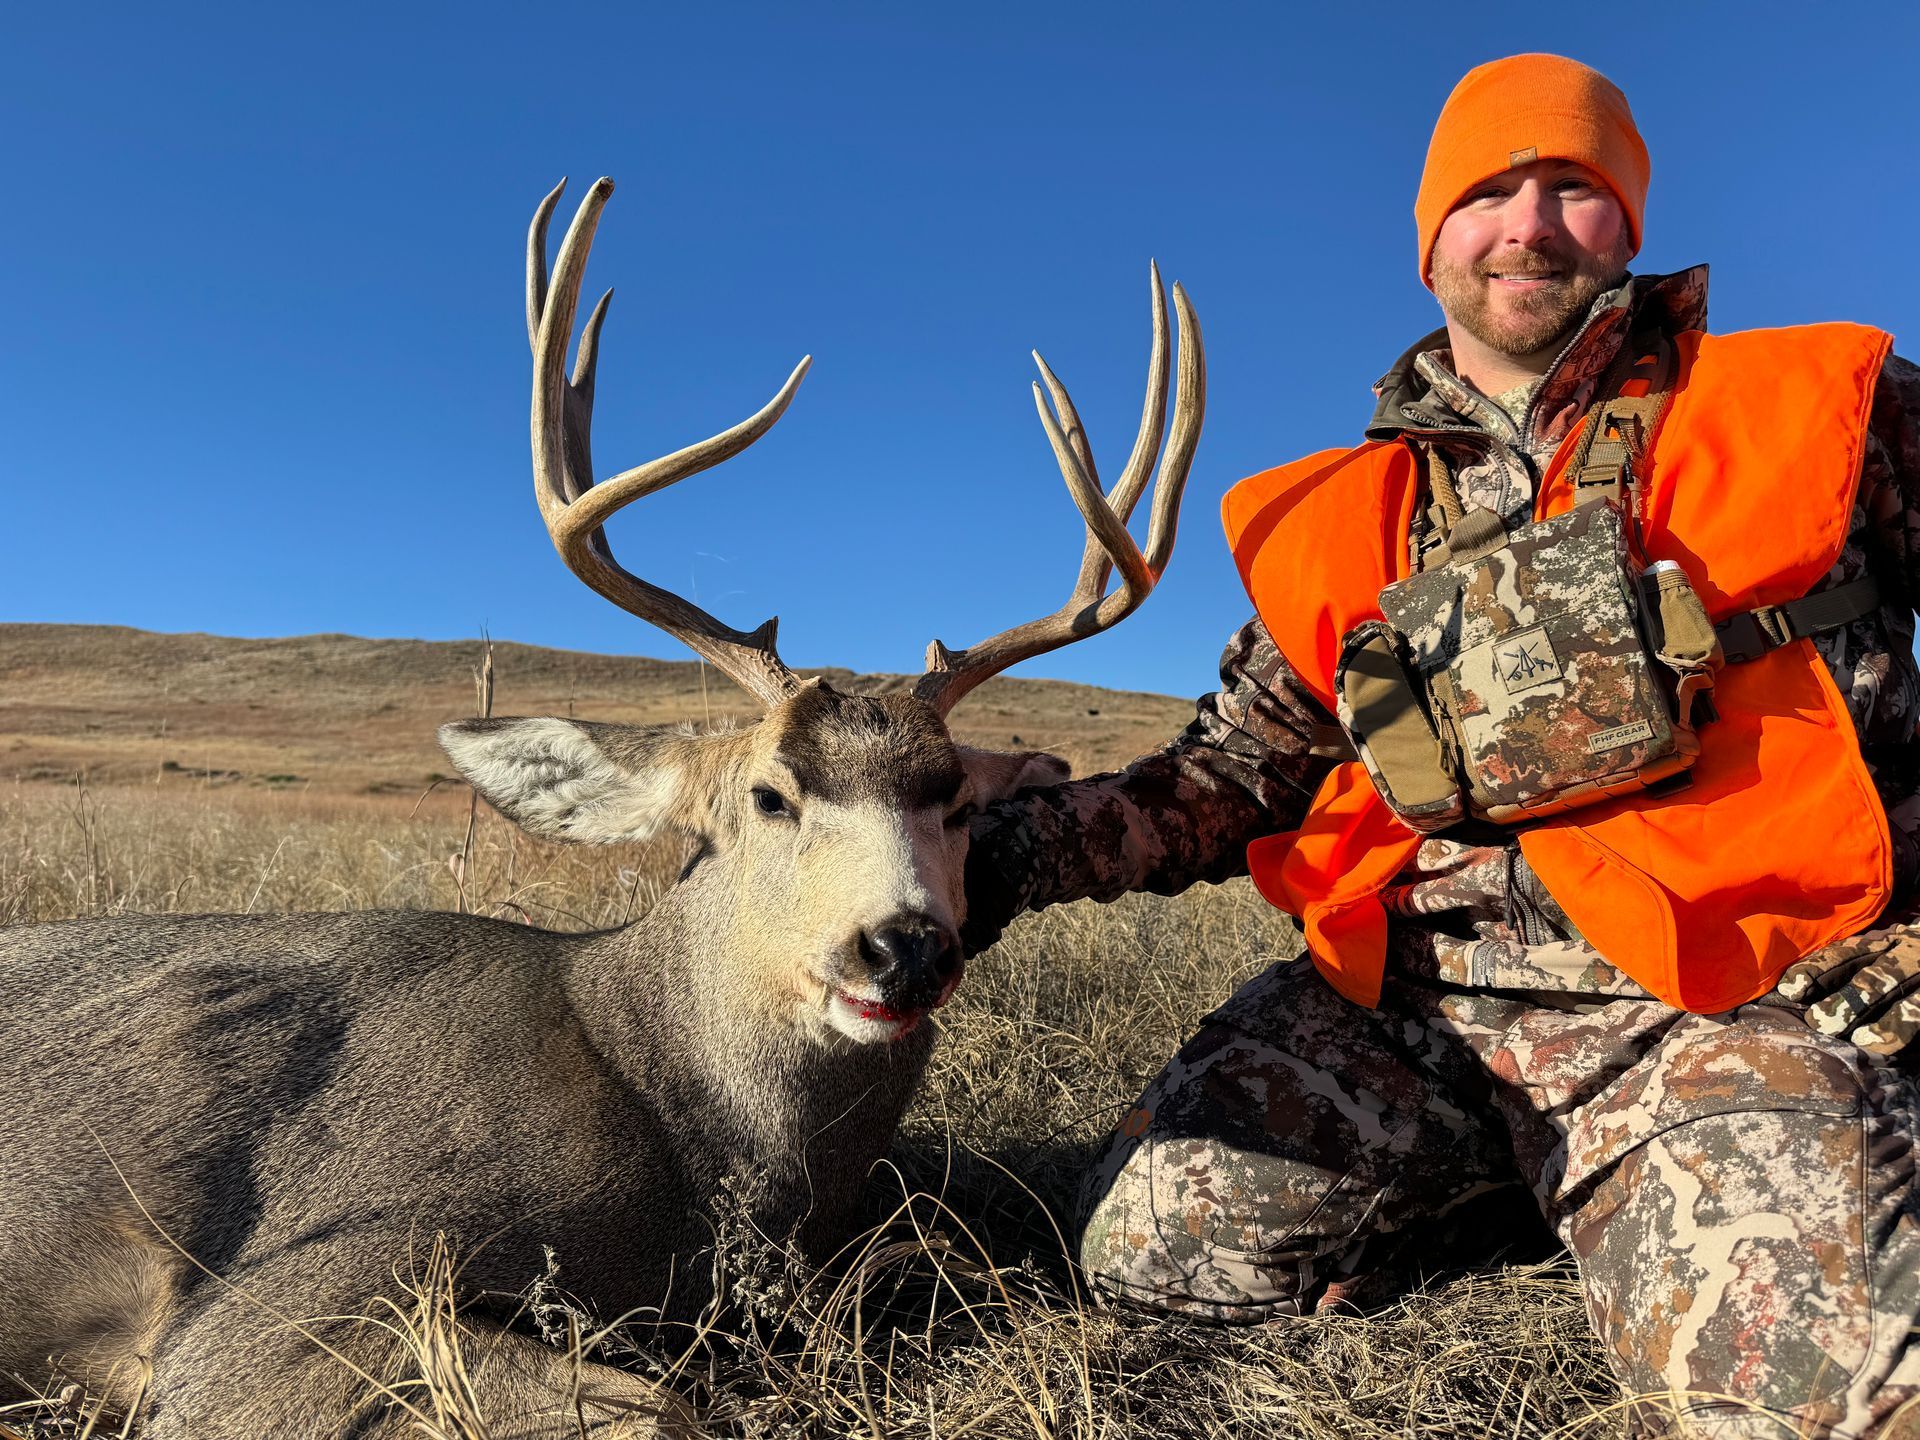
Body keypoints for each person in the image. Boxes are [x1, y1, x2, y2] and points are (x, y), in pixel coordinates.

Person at [963, 53, 1920, 1438]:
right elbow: (1233, 776)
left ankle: (1676, 1181)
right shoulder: (1338, 516)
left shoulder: (1821, 403)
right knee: (1150, 1247)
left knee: (1843, 1402)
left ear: (1630, 223)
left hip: (1718, 993)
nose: (1527, 223)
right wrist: (984, 866)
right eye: (1487, 191)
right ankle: (1546, 1200)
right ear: (1432, 244)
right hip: (1421, 1004)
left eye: (1573, 187)